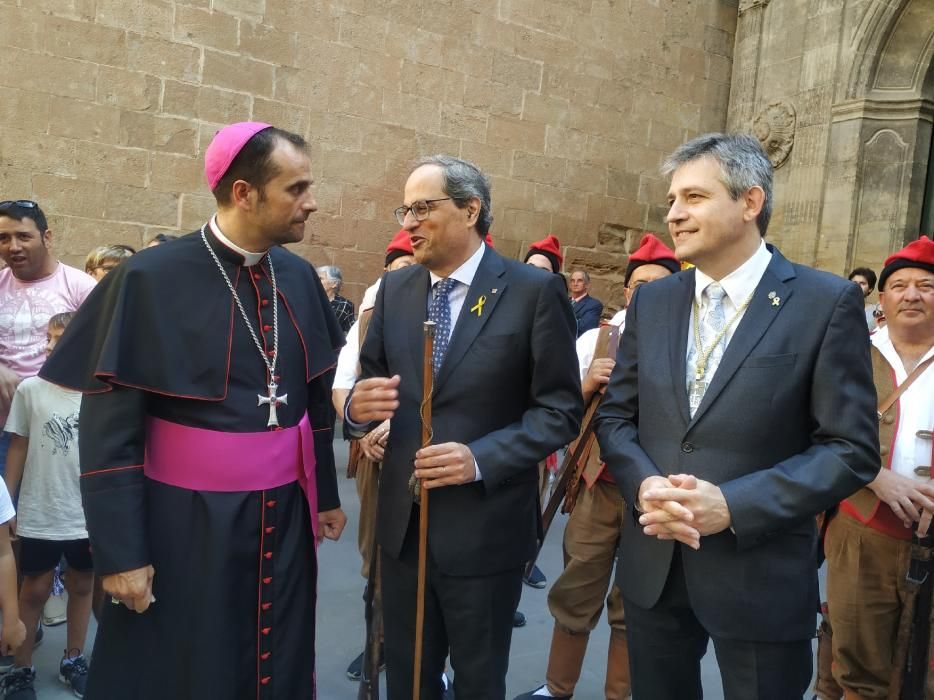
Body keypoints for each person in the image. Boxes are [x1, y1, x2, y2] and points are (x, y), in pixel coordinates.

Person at [39, 121, 347, 699]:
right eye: (296, 188)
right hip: (182, 523)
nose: (311, 202)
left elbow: (311, 404)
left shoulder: (300, 277)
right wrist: (122, 553)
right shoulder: (148, 279)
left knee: (275, 652)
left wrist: (324, 494)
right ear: (244, 193)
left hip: (282, 515)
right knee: (183, 664)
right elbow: (109, 434)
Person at [594, 133, 879, 700]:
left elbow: (850, 449)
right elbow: (616, 418)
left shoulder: (824, 304)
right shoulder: (654, 301)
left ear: (750, 203)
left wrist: (733, 505)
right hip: (655, 564)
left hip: (760, 575)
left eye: (694, 197)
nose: (674, 214)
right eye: (672, 200)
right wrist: (644, 481)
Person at [347, 155, 583, 699]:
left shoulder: (531, 292)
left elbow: (559, 412)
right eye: (404, 209)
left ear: (471, 209)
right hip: (403, 528)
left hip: (485, 530)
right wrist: (358, 415)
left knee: (478, 677)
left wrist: (479, 458)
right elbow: (373, 383)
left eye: (422, 208)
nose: (407, 222)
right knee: (406, 674)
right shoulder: (396, 291)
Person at [516, 233, 680, 700]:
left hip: (653, 496)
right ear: (627, 291)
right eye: (638, 283)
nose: (646, 291)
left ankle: (618, 694)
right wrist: (588, 383)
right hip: (596, 485)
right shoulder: (595, 338)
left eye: (658, 283)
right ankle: (557, 688)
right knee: (576, 589)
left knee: (635, 602)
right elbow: (553, 408)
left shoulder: (690, 346)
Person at [825, 236, 934, 699]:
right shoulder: (847, 353)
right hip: (861, 529)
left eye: (926, 285)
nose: (912, 294)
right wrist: (873, 474)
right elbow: (812, 427)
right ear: (882, 299)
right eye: (900, 285)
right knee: (858, 670)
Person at [331, 228, 415, 682]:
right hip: (379, 457)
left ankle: (424, 656)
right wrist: (362, 427)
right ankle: (376, 645)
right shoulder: (365, 320)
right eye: (398, 268)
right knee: (377, 555)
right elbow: (343, 385)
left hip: (434, 459)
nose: (406, 275)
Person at [1, 312, 93, 699]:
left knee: (82, 584)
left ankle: (74, 659)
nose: (51, 346)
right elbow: (18, 445)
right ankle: (21, 669)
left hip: (85, 514)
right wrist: (9, 504)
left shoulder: (102, 391)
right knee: (34, 589)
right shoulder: (31, 390)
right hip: (41, 510)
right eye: (48, 338)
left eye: (60, 338)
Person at [0, 200, 96, 475]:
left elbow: (101, 349)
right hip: (5, 429)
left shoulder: (81, 287)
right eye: (3, 238)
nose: (13, 246)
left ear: (47, 237)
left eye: (23, 236)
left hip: (58, 429)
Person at [318, 265, 355, 334]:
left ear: (334, 284)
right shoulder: (309, 299)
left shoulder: (345, 305)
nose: (316, 281)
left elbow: (351, 332)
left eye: (320, 278)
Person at [568, 269, 604, 336]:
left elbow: (585, 328)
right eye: (572, 281)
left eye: (579, 281)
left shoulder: (594, 305)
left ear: (587, 285)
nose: (575, 284)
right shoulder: (564, 301)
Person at [848, 266, 879, 331]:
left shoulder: (876, 311)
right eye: (854, 283)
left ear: (870, 289)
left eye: (862, 283)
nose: (857, 286)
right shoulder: (839, 307)